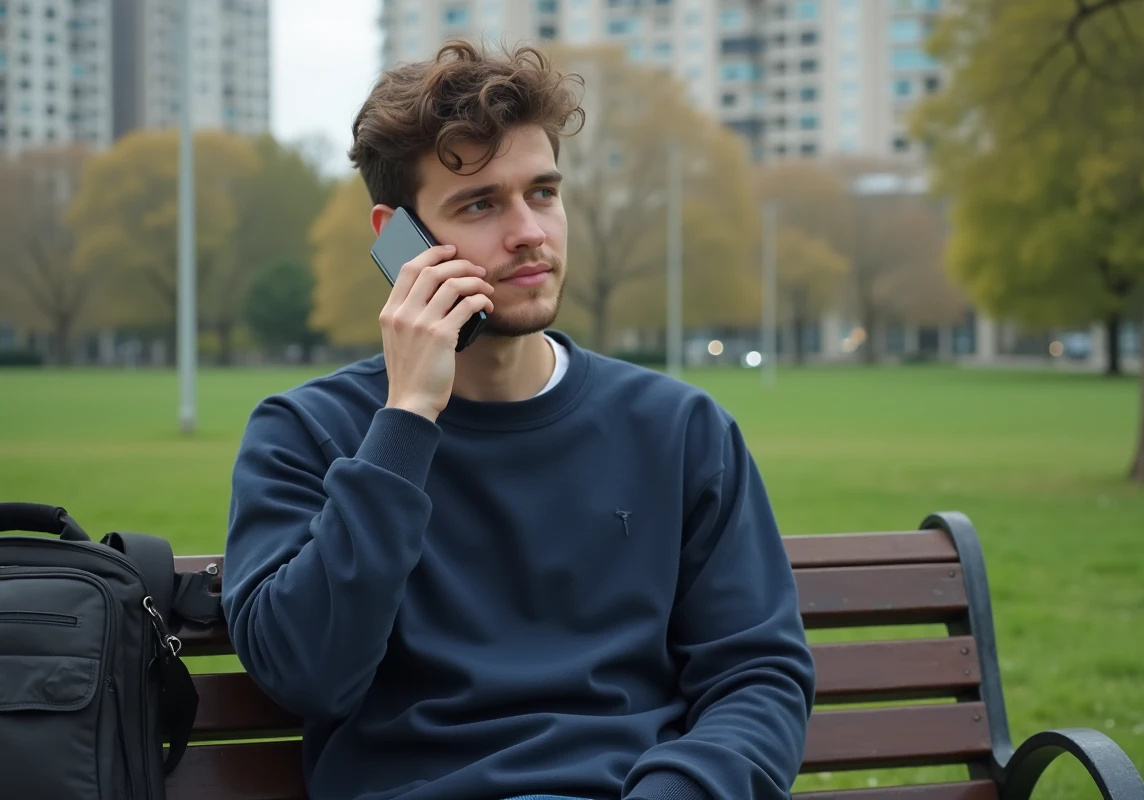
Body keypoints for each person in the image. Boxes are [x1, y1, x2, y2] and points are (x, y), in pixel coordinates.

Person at [221, 40, 816, 800]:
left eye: (543, 193)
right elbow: (307, 674)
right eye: (480, 204)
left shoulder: (680, 430)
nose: (529, 230)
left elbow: (757, 677)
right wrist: (405, 421)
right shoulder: (307, 434)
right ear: (397, 238)